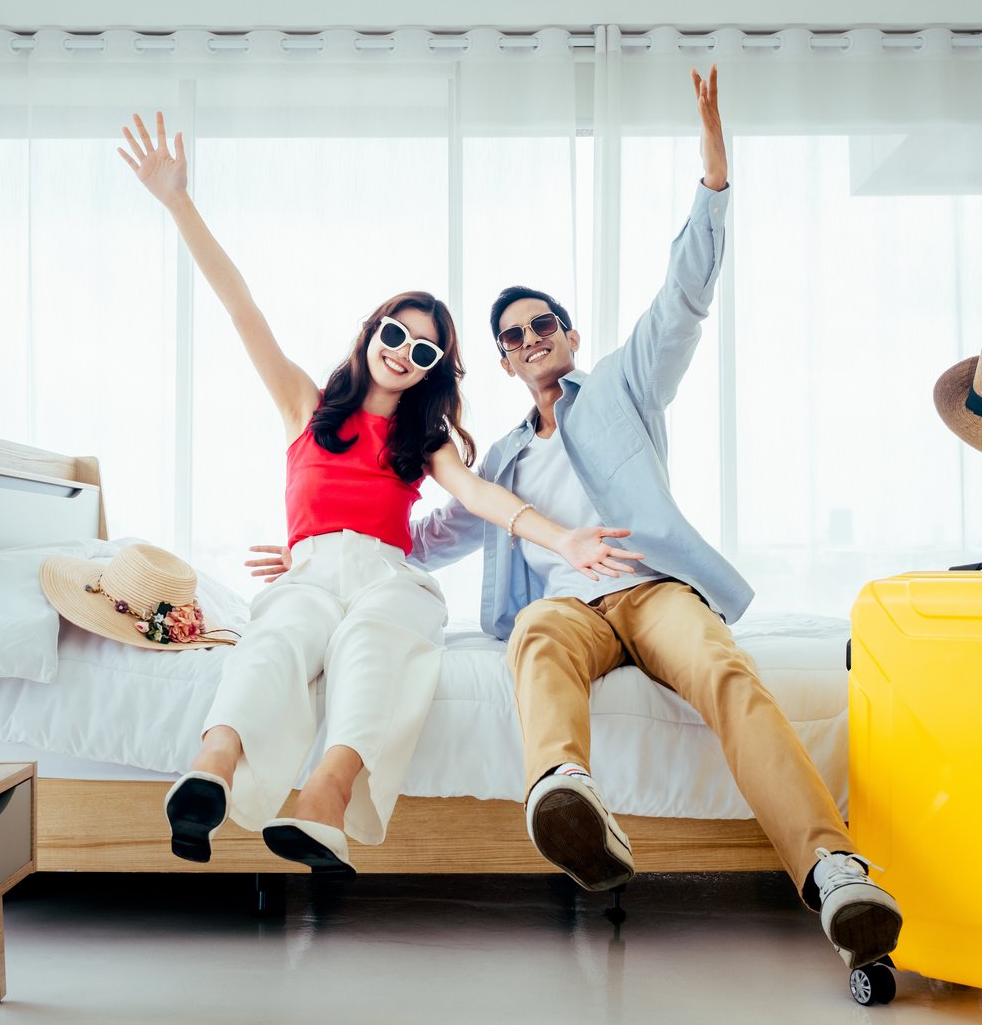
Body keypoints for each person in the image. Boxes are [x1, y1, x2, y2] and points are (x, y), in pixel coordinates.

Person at [255, 65, 903, 969]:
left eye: (543, 324)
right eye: (512, 337)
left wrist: (714, 173)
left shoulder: (624, 391)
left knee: (727, 673)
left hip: (652, 591)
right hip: (570, 605)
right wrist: (320, 555)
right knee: (534, 638)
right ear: (504, 362)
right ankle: (566, 796)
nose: (530, 340)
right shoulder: (505, 460)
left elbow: (685, 295)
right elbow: (429, 534)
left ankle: (833, 871)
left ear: (569, 334)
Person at [118, 112, 643, 872]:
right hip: (312, 569)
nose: (404, 352)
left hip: (388, 575)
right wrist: (179, 203)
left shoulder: (421, 443)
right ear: (370, 335)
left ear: (432, 369)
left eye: (423, 349)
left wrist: (560, 538)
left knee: (376, 648)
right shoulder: (306, 407)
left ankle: (323, 802)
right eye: (394, 335)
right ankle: (210, 772)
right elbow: (243, 310)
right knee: (275, 641)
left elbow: (481, 496)